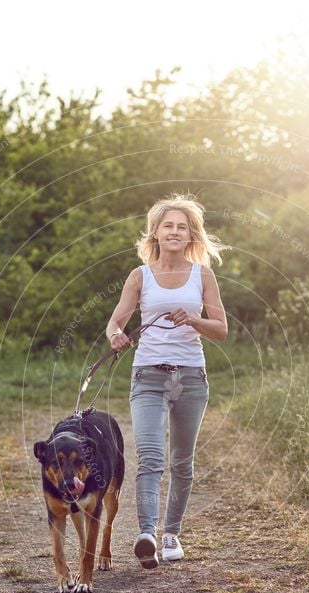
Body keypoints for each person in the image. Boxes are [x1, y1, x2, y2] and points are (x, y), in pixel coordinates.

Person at [105, 194, 229, 569]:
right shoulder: (139, 276)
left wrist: (192, 320)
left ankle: (171, 534)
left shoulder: (203, 275)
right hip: (148, 375)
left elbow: (222, 330)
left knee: (181, 462)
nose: (174, 232)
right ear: (155, 232)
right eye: (167, 226)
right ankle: (146, 535)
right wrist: (116, 336)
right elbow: (115, 322)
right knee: (150, 458)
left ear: (192, 234)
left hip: (192, 377)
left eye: (182, 226)